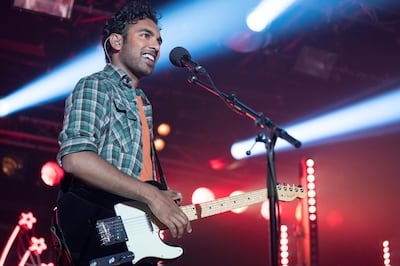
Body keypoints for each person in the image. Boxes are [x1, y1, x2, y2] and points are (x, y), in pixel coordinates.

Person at [52, 1, 192, 265]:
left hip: (129, 245)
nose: (156, 46)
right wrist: (151, 196)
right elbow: (76, 157)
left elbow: (132, 179)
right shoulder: (96, 86)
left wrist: (159, 195)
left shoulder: (142, 102)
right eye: (145, 35)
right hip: (98, 242)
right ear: (116, 42)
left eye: (159, 40)